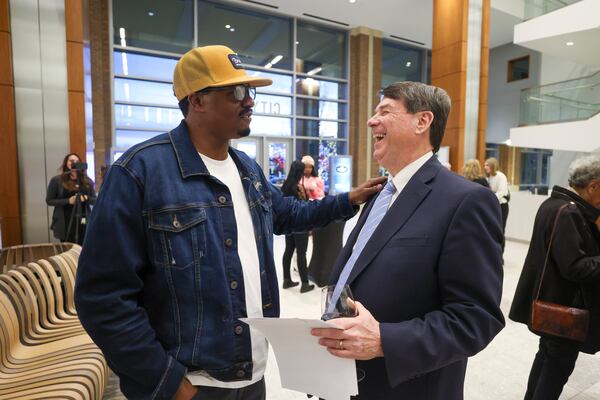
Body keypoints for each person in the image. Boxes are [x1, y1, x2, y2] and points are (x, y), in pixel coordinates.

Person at [74, 45, 385, 400]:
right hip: (191, 384)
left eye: (249, 91)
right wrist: (168, 381)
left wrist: (348, 200)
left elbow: (286, 214)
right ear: (197, 100)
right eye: (235, 92)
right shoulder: (139, 172)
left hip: (250, 378)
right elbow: (102, 296)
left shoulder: (247, 169)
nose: (248, 101)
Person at [311, 81, 505, 399]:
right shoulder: (380, 195)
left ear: (422, 121)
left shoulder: (466, 201)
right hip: (343, 380)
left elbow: (476, 317)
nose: (372, 121)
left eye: (385, 111)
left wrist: (386, 340)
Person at [509, 155, 600, 400]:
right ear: (592, 186)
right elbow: (575, 267)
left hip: (552, 305)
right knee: (554, 372)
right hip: (565, 310)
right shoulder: (569, 212)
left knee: (545, 361)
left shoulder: (553, 204)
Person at [45, 153, 96, 244]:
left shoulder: (87, 181)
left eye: (77, 161)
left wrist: (86, 198)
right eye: (71, 161)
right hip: (65, 220)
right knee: (67, 249)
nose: (74, 163)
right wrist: (68, 201)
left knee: (83, 248)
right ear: (66, 163)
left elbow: (95, 201)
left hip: (84, 220)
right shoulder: (57, 180)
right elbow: (49, 200)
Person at [280, 160, 314, 293]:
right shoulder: (298, 188)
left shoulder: (285, 186)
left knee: (288, 250)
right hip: (300, 225)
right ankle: (305, 283)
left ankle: (286, 280)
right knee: (301, 253)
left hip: (289, 225)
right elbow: (304, 205)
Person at [485, 157, 509, 231]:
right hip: (493, 205)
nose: (485, 167)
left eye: (487, 165)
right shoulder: (489, 177)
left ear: (493, 166)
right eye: (484, 165)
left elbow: (502, 191)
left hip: (501, 205)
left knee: (500, 229)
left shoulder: (500, 176)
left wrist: (491, 199)